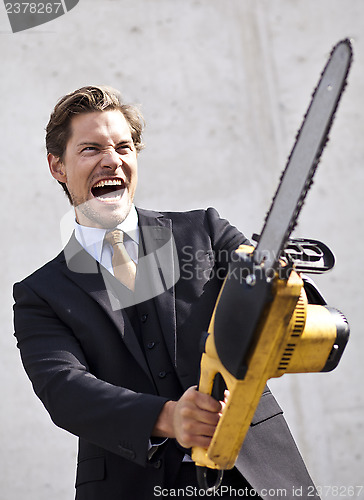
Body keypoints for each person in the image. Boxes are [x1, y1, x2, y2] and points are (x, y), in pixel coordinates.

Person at [13, 86, 320, 499]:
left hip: (257, 475)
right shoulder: (41, 293)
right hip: (132, 485)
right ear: (57, 167)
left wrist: (277, 281)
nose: (112, 160)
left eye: (123, 146)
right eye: (90, 149)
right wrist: (168, 417)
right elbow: (64, 388)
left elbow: (289, 309)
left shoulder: (204, 232)